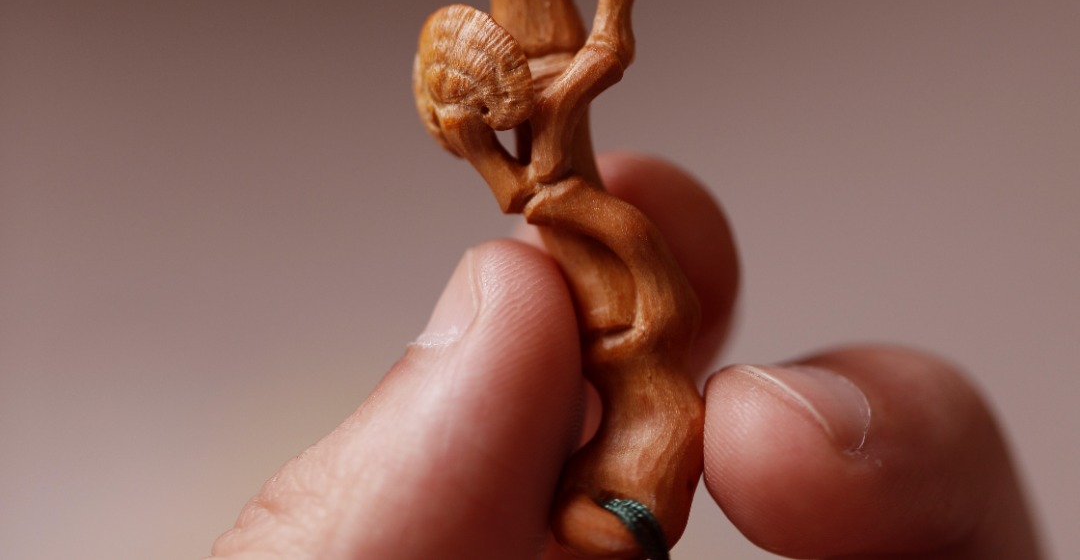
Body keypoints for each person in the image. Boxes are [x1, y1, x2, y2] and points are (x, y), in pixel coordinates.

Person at [206, 153, 1043, 560]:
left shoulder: (657, 315)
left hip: (636, 472)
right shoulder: (642, 330)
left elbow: (632, 240)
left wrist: (558, 195)